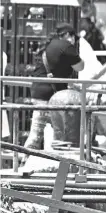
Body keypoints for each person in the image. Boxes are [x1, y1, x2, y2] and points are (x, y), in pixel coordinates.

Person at [22, 23, 85, 154]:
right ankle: (26, 161)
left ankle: (24, 161)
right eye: (74, 37)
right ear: (68, 35)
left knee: (40, 132)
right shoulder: (66, 46)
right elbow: (80, 67)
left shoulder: (49, 45)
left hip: (39, 92)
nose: (75, 41)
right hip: (51, 96)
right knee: (58, 134)